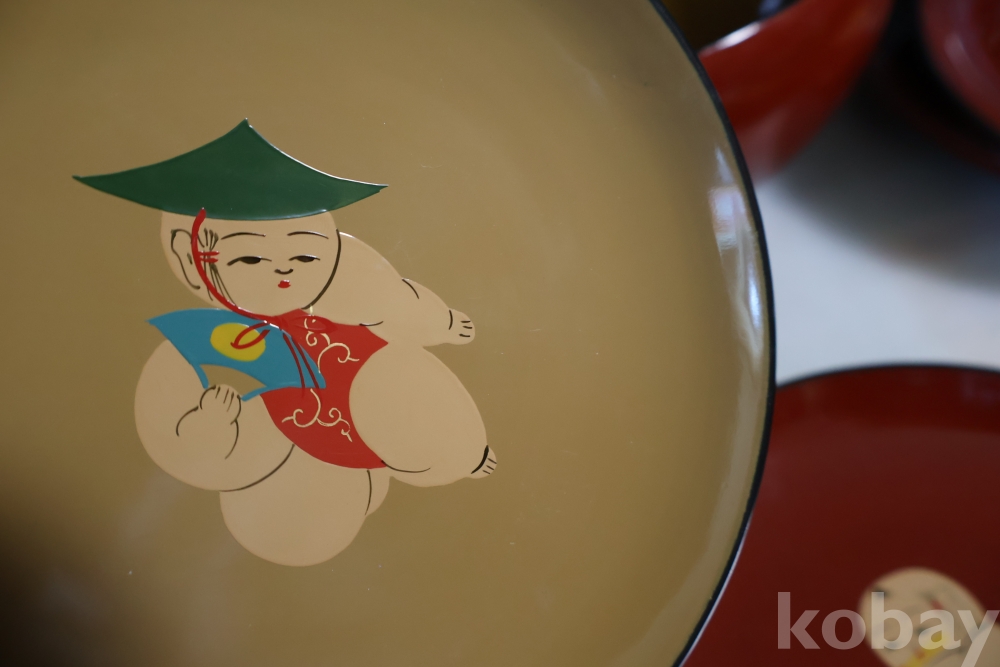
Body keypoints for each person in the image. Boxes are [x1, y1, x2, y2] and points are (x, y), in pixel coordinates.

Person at [75, 120, 496, 566]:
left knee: (408, 394)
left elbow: (394, 301)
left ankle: (461, 456)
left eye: (305, 254)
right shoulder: (202, 340)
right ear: (190, 257)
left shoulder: (348, 283)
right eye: (249, 257)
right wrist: (208, 427)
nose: (283, 269)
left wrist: (439, 322)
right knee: (300, 513)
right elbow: (171, 432)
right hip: (304, 445)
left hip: (377, 384)